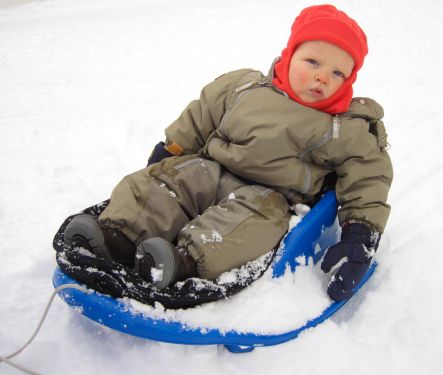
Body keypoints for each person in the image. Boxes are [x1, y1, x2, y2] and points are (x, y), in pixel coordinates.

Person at [63, 4, 392, 301]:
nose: (323, 76)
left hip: (269, 197)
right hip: (209, 170)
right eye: (313, 61)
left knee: (244, 228)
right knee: (169, 187)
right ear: (289, 55)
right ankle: (116, 236)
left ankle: (178, 263)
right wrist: (168, 155)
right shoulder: (243, 86)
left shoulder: (346, 127)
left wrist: (360, 231)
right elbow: (198, 118)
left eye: (338, 73)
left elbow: (369, 175)